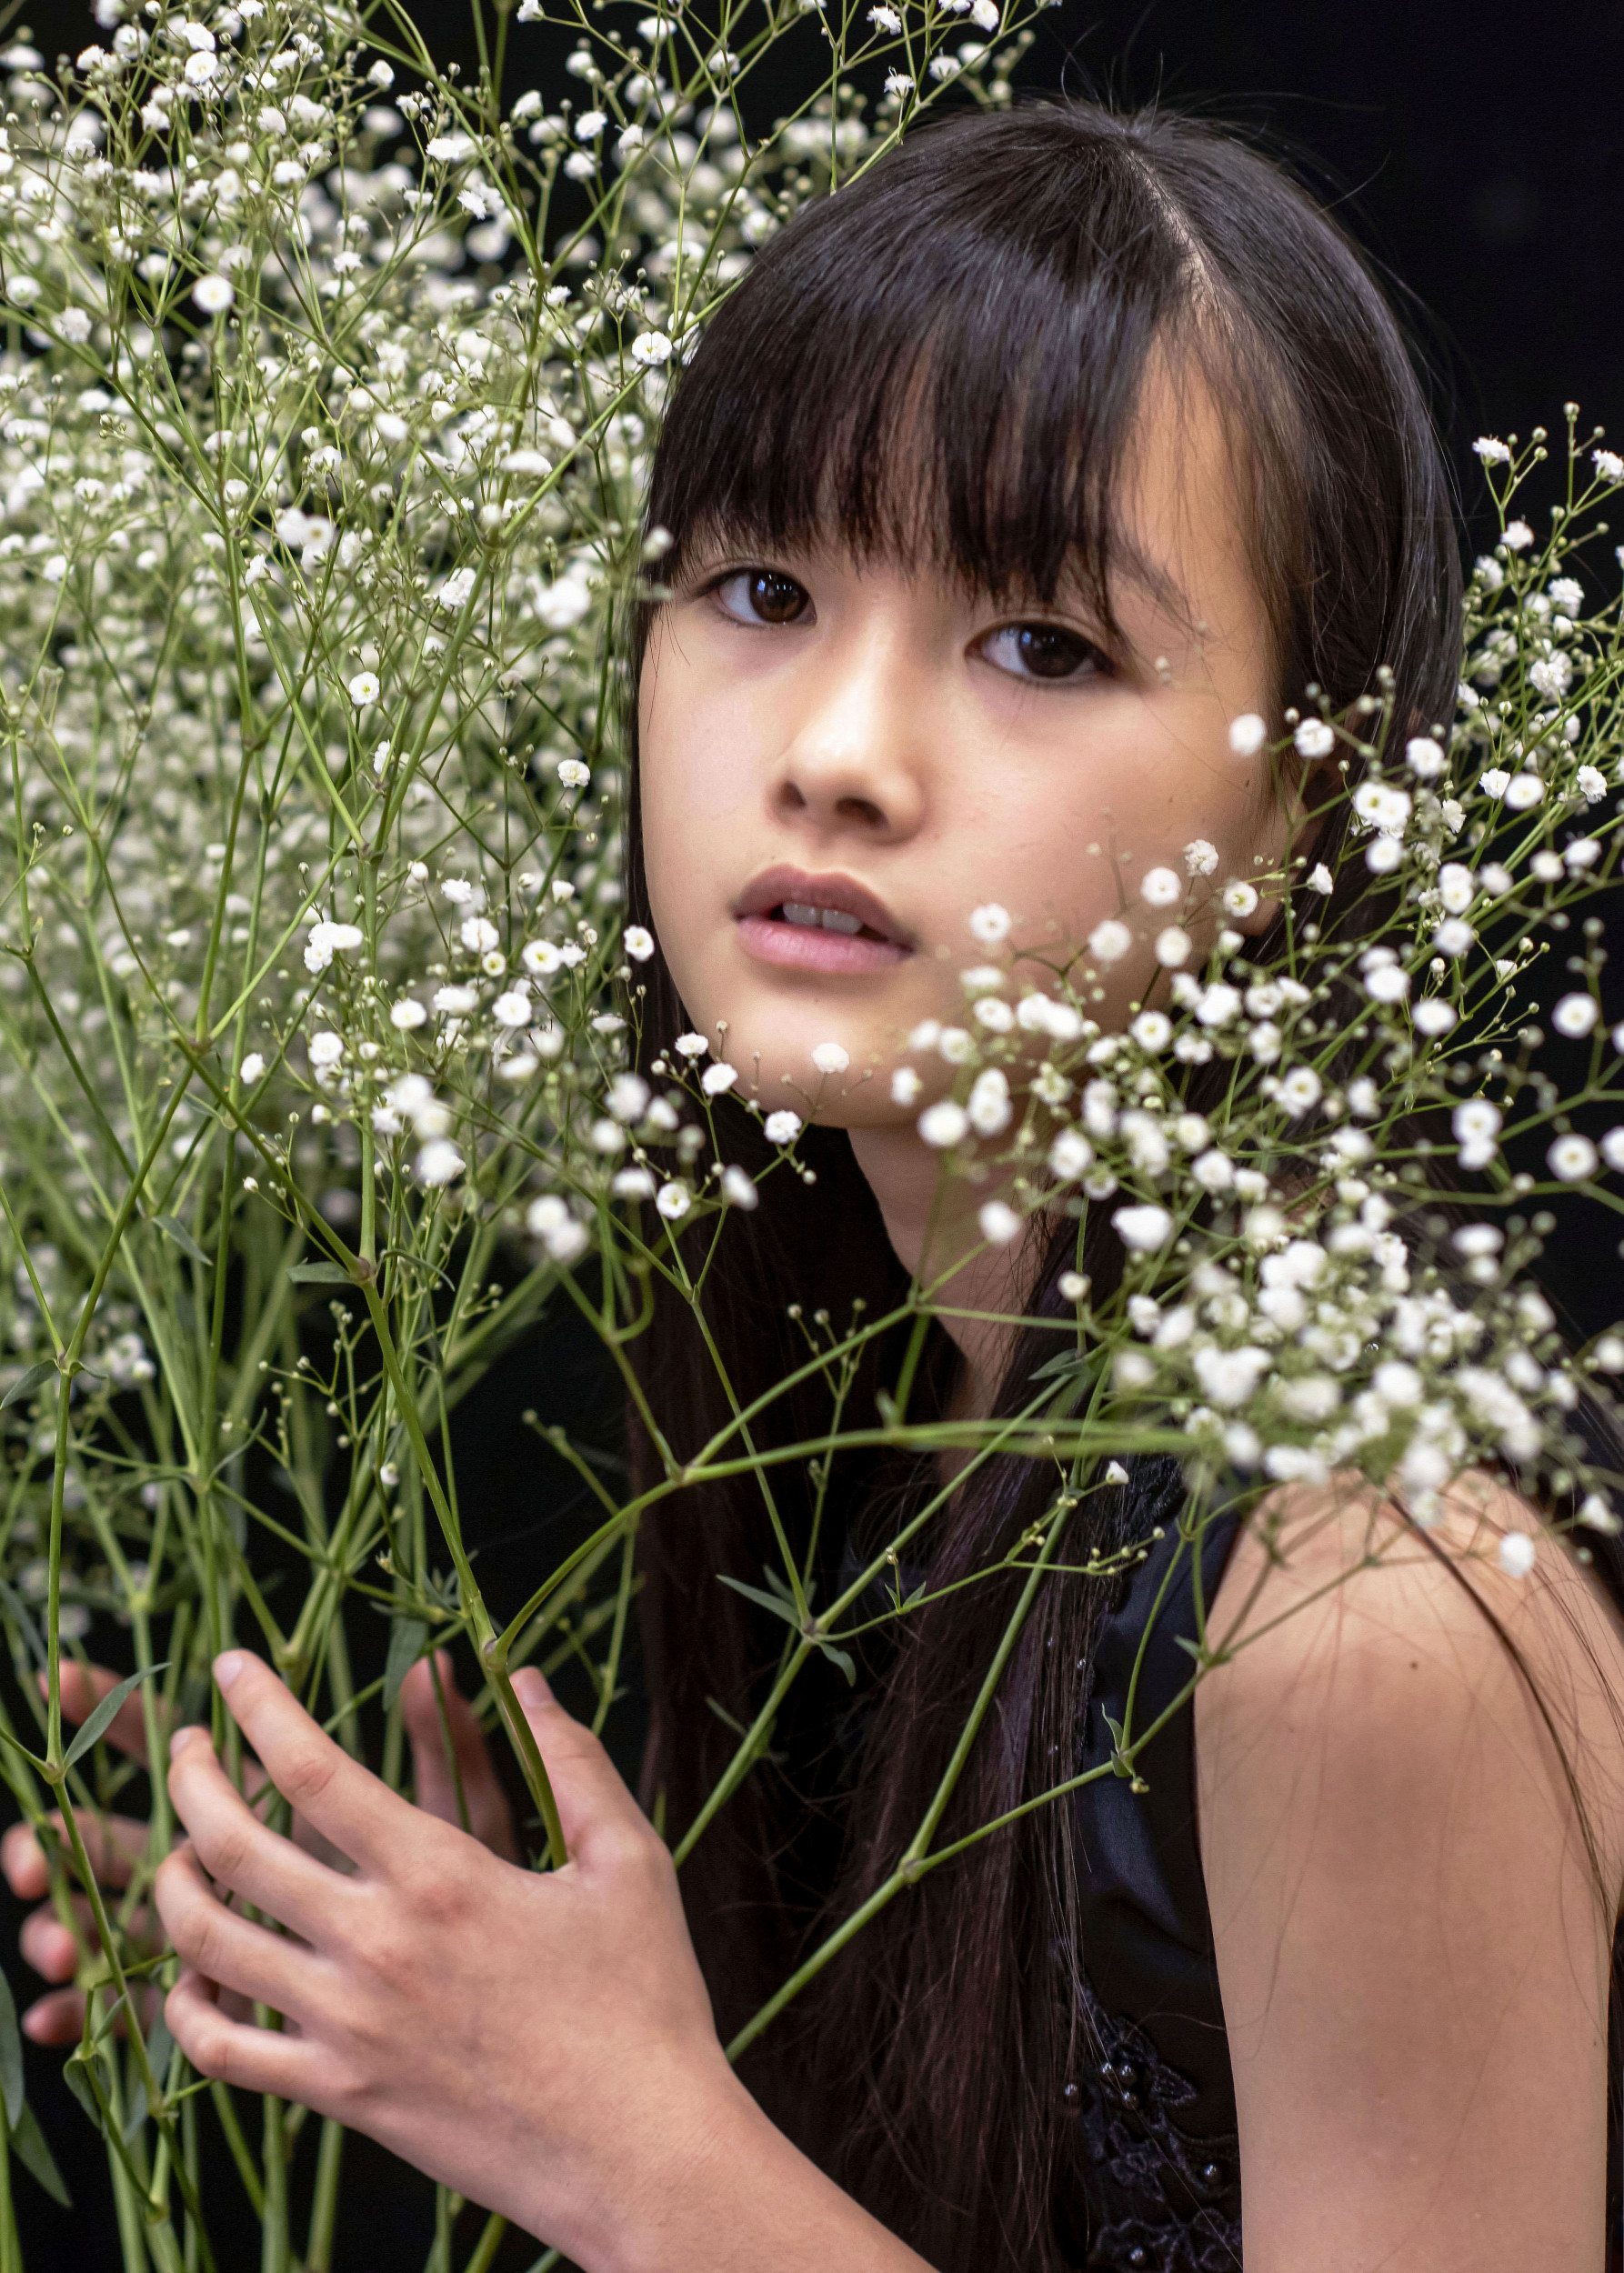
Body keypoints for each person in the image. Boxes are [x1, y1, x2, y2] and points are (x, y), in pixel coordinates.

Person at [9, 97, 1624, 2273]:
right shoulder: (879, 1408)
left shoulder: (1361, 1616)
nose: (836, 752)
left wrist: (625, 2135)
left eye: (1040, 645)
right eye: (759, 590)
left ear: (1302, 812)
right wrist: (440, 2003)